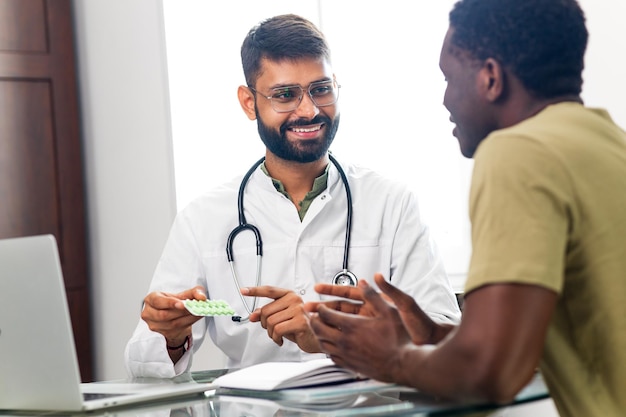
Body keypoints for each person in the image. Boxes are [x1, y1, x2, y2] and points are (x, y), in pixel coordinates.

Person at [307, 1, 626, 416]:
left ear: (491, 78)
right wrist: (430, 335)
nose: (444, 99)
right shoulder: (607, 144)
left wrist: (393, 357)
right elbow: (525, 344)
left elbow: (491, 371)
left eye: (448, 77)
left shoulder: (517, 152)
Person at [124, 14, 461, 378]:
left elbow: (445, 337)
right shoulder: (203, 217)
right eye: (285, 95)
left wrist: (333, 332)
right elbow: (141, 364)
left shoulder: (391, 204)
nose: (309, 110)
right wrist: (171, 335)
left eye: (321, 89)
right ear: (249, 102)